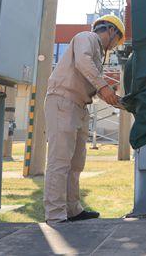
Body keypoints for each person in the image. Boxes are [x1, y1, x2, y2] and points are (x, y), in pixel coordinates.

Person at [43, 15, 125, 224]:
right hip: (63, 100)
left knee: (76, 163)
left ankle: (73, 210)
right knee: (60, 161)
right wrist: (104, 86)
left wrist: (121, 102)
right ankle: (55, 214)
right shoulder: (86, 37)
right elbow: (83, 62)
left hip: (79, 106)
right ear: (111, 30)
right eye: (117, 40)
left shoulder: (97, 55)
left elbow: (95, 86)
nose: (115, 46)